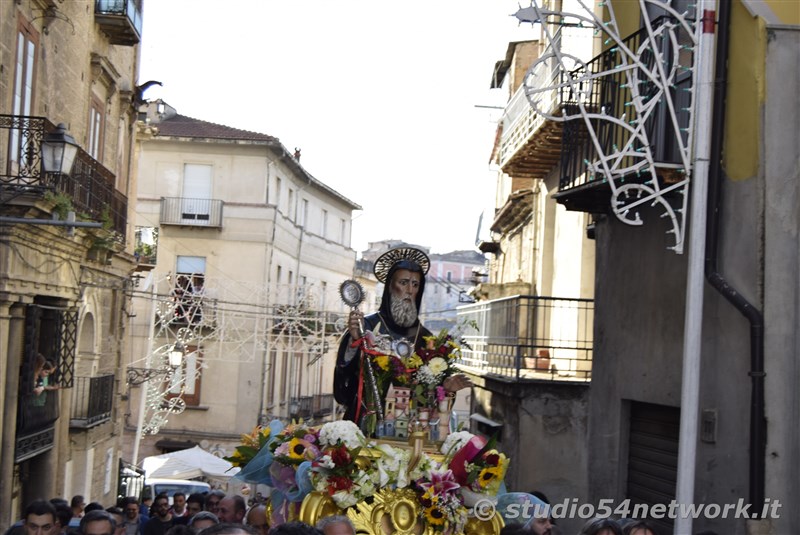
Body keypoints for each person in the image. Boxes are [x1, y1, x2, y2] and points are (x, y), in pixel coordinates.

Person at [334, 247, 471, 426]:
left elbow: (430, 403)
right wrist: (354, 342)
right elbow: (343, 382)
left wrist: (446, 389)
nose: (409, 290)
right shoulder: (365, 327)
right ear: (390, 286)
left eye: (415, 285)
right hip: (364, 423)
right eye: (404, 282)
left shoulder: (425, 339)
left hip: (408, 430)